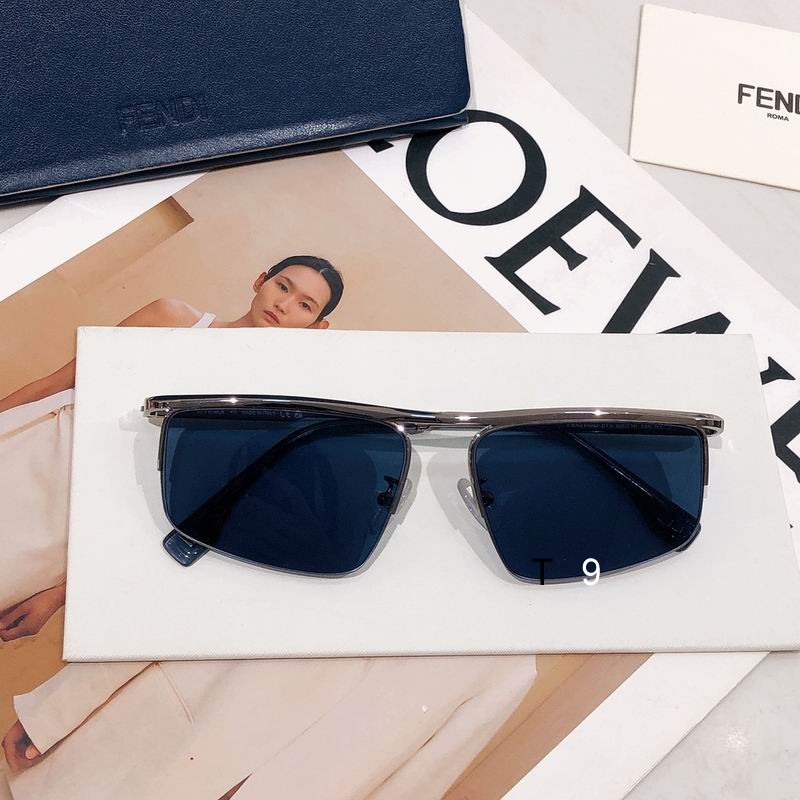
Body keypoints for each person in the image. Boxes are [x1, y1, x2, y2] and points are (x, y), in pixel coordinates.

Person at [0, 255, 344, 636]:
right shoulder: (172, 317)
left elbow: (169, 519)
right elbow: (58, 382)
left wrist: (58, 596)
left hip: (78, 514)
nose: (283, 304)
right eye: (282, 286)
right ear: (261, 280)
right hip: (32, 446)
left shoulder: (258, 417)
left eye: (305, 305)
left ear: (318, 327)